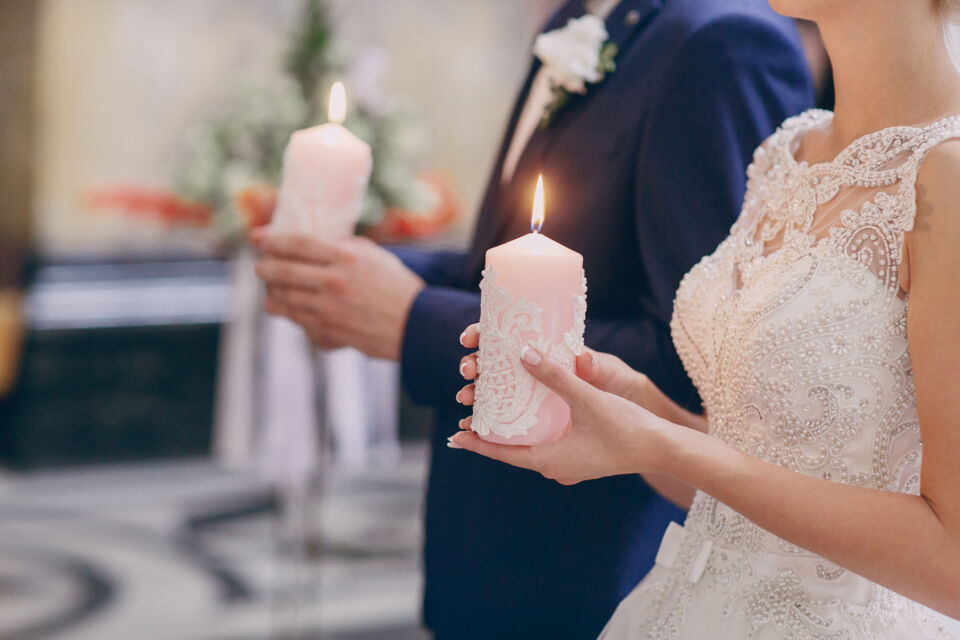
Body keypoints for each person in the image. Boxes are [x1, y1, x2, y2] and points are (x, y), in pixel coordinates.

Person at [253, 0, 813, 636]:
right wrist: (362, 278)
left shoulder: (722, 43)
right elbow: (521, 267)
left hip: (596, 568)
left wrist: (414, 319)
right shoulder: (573, 21)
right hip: (486, 542)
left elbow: (697, 364)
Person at [451, 0, 960, 637]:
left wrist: (669, 443)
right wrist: (642, 415)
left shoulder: (949, 178)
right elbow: (742, 493)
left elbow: (953, 563)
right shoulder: (789, 150)